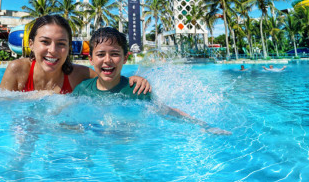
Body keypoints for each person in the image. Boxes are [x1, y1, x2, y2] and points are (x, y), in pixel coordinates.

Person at [73, 27, 230, 134]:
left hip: (127, 142)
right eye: (100, 55)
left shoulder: (137, 90)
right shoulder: (82, 90)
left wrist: (204, 125)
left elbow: (166, 111)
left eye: (114, 54)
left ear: (125, 58)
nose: (107, 60)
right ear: (91, 59)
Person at [0, 15, 151, 95]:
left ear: (69, 47)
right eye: (45, 42)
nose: (52, 50)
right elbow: (2, 107)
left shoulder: (78, 74)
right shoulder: (18, 70)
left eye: (61, 44)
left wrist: (132, 80)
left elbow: (108, 76)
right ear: (31, 44)